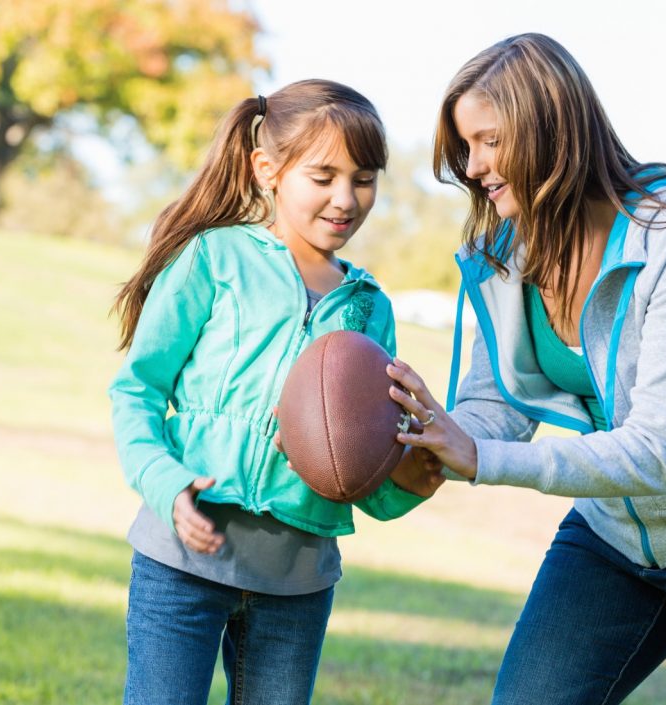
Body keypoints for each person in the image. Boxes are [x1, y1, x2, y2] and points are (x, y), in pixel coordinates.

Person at [386, 33, 666, 705]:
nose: (473, 166)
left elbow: (658, 452)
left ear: (551, 126)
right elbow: (494, 407)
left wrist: (480, 456)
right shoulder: (501, 256)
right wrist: (418, 435)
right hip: (617, 536)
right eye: (466, 146)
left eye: (489, 141)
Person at [109, 79, 441, 705]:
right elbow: (138, 392)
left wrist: (415, 480)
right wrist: (166, 484)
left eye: (364, 178)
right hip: (180, 563)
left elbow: (362, 468)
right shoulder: (215, 259)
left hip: (298, 586)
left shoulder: (370, 309)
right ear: (269, 169)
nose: (346, 198)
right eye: (323, 176)